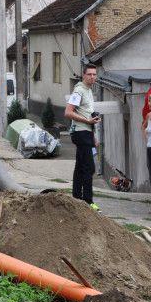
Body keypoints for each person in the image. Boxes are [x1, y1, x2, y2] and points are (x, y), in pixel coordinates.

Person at [64, 64, 101, 211]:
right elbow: (68, 112)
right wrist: (87, 121)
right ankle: (88, 202)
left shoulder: (88, 90)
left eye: (94, 74)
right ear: (83, 75)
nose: (92, 77)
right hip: (80, 132)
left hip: (87, 132)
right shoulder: (79, 90)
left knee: (80, 166)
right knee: (89, 167)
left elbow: (86, 113)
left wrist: (93, 135)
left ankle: (76, 198)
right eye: (89, 74)